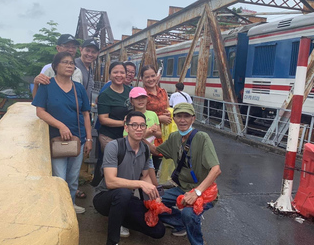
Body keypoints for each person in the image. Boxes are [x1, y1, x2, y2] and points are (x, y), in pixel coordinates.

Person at [144, 103, 221, 245]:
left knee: (189, 213)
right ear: (174, 119)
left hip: (204, 190)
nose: (182, 120)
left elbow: (216, 169)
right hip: (182, 188)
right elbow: (156, 151)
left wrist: (196, 192)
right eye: (179, 116)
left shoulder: (202, 137)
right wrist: (141, 138)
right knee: (151, 200)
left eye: (186, 116)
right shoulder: (174, 137)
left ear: (193, 118)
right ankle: (180, 224)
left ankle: (197, 242)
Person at [32, 52, 93, 214]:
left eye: (72, 63)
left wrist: (88, 138)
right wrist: (60, 125)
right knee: (59, 177)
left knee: (73, 179)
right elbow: (40, 111)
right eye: (65, 62)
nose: (69, 66)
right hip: (56, 140)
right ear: (55, 66)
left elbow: (86, 114)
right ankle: (59, 209)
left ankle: (70, 205)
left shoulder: (78, 88)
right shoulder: (47, 85)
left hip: (77, 140)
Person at [93, 111, 165, 245]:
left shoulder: (145, 148)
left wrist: (155, 196)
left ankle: (120, 218)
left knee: (158, 231)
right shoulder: (114, 146)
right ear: (126, 127)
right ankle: (112, 241)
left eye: (142, 125)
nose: (139, 129)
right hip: (104, 197)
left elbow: (145, 177)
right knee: (123, 193)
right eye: (134, 125)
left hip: (126, 199)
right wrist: (139, 184)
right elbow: (110, 181)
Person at [124, 87, 162, 185]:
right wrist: (148, 132)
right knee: (130, 183)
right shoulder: (129, 117)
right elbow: (126, 137)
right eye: (137, 98)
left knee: (153, 184)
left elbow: (159, 134)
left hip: (147, 155)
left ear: (147, 99)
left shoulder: (153, 115)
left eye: (143, 97)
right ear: (132, 101)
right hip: (132, 155)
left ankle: (152, 200)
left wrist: (153, 131)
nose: (140, 100)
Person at [141, 65, 171, 171]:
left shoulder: (163, 92)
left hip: (161, 133)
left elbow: (167, 109)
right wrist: (159, 118)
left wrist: (169, 115)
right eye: (147, 77)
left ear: (157, 76)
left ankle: (152, 186)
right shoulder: (142, 94)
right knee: (145, 167)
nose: (151, 79)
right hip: (148, 133)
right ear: (142, 79)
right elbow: (139, 114)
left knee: (156, 166)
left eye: (153, 76)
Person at [32, 34, 83, 98]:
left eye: (74, 47)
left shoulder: (78, 71)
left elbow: (80, 96)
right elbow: (38, 98)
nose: (71, 50)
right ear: (58, 48)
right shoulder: (48, 69)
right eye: (67, 46)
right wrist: (36, 84)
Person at [97, 62, 131, 151]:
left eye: (122, 72)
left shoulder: (130, 91)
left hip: (128, 136)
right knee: (112, 163)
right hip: (110, 137)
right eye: (115, 72)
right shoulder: (105, 95)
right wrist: (124, 123)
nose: (119, 75)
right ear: (110, 75)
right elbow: (103, 119)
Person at [75, 38, 100, 103]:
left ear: (97, 54)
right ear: (81, 49)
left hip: (83, 109)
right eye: (87, 50)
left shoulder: (90, 69)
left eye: (93, 52)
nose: (90, 54)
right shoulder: (73, 65)